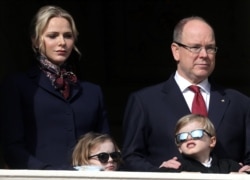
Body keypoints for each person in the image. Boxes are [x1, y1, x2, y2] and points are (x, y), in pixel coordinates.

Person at [121, 16, 250, 172]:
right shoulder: (145, 101)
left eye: (210, 48)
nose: (204, 54)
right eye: (195, 47)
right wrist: (159, 172)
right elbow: (131, 158)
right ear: (176, 51)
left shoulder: (239, 103)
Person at [0, 5, 109, 170]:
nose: (62, 42)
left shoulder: (92, 92)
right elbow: (12, 148)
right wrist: (48, 172)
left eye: (68, 36)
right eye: (52, 36)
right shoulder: (17, 85)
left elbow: (105, 147)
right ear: (35, 40)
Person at [156, 114, 244, 173]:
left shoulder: (229, 166)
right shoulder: (176, 166)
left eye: (196, 133)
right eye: (182, 136)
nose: (189, 138)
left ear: (212, 141)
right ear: (179, 148)